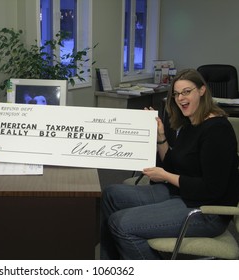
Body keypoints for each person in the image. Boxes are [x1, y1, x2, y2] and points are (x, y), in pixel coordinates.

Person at [100, 68, 239, 259]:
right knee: (111, 195)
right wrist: (161, 136)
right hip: (181, 194)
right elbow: (174, 166)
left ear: (202, 90)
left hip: (206, 211)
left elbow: (211, 189)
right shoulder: (191, 123)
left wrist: (165, 176)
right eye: (176, 94)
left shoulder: (217, 130)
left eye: (186, 91)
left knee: (119, 223)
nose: (180, 98)